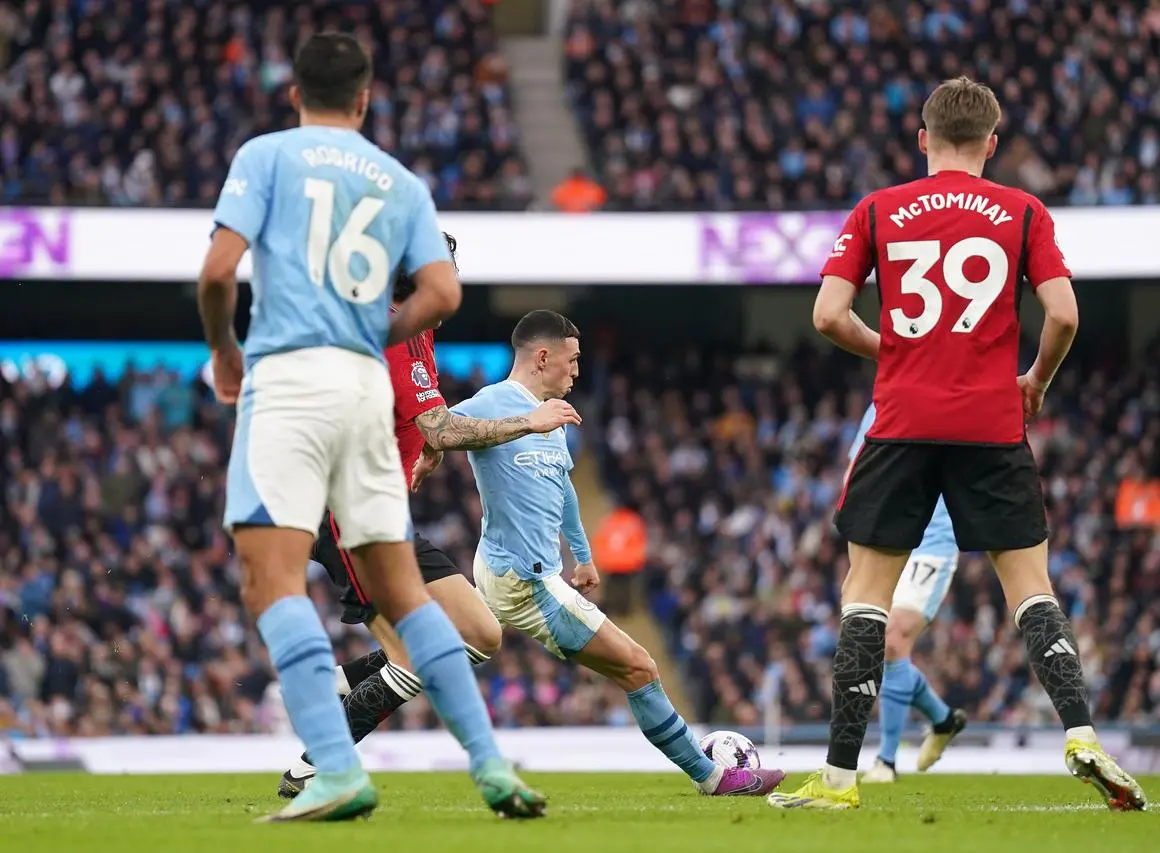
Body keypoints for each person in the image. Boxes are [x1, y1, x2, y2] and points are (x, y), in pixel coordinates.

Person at [767, 77, 1145, 812]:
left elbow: (826, 315)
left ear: (923, 139)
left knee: (865, 598)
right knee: (1031, 588)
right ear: (992, 143)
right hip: (991, 422)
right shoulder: (1022, 210)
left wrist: (893, 353)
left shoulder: (880, 208)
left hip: (902, 420)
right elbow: (1063, 314)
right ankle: (1083, 733)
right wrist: (1034, 378)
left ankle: (841, 777)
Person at [198, 33, 545, 823]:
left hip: (289, 382)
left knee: (272, 579)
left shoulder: (265, 156)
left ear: (295, 95)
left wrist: (225, 350)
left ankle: (333, 764)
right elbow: (445, 293)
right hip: (360, 392)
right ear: (364, 99)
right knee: (411, 601)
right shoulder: (398, 181)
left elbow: (219, 272)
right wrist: (374, 337)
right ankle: (490, 765)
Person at [277, 234, 580, 798]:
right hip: (348, 510)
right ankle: (316, 763)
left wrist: (427, 448)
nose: (453, 278)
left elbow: (426, 420)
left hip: (380, 510)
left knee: (481, 632)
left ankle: (330, 686)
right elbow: (438, 424)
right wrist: (528, 422)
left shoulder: (417, 334)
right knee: (421, 654)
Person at [451, 309, 786, 797]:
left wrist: (583, 556)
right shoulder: (493, 403)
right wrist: (429, 454)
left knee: (445, 658)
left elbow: (563, 489)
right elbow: (439, 428)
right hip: (521, 576)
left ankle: (357, 695)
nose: (578, 370)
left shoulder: (555, 420)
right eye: (573, 360)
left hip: (533, 573)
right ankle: (713, 777)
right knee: (639, 666)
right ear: (542, 357)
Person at [846, 404, 967, 784]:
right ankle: (942, 719)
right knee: (878, 640)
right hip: (887, 539)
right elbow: (859, 472)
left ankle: (886, 760)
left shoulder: (950, 401)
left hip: (934, 540)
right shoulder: (877, 406)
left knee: (893, 637)